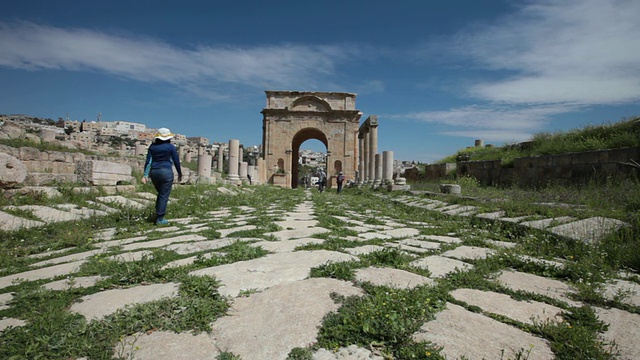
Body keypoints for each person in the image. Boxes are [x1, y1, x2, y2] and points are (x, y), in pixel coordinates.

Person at [142, 128, 182, 225]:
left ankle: (157, 214)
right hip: (166, 172)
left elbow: (148, 161)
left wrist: (145, 175)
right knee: (163, 195)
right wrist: (179, 173)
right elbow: (176, 160)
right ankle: (160, 218)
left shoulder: (152, 147)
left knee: (161, 194)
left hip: (154, 172)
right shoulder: (171, 147)